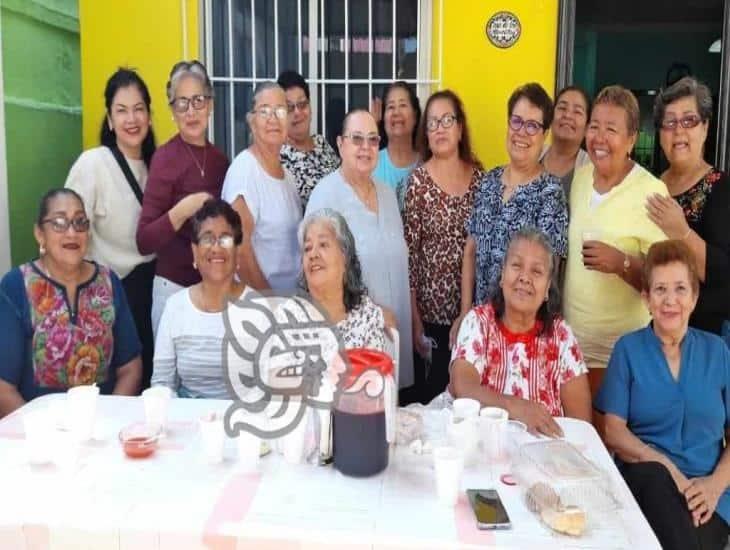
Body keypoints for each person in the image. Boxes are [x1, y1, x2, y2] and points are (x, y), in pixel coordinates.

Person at [595, 240, 730, 550]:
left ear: (694, 298)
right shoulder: (628, 349)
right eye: (660, 290)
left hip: (709, 498)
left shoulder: (718, 352)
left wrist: (714, 485)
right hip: (645, 484)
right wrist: (668, 469)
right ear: (646, 298)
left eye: (681, 289)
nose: (671, 300)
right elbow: (613, 431)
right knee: (655, 479)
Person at [563, 85, 668, 395]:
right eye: (594, 126)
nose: (599, 138)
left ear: (632, 139)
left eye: (611, 129)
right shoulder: (581, 179)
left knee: (611, 439)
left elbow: (662, 284)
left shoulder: (651, 193)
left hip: (620, 353)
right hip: (572, 345)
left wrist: (622, 263)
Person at [0, 189, 142, 417]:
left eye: (80, 222)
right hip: (36, 435)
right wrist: (43, 436)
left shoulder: (108, 282)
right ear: (39, 234)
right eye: (58, 223)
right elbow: (3, 388)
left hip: (102, 429)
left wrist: (109, 421)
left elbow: (130, 367)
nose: (72, 232)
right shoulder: (16, 285)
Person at [306, 109, 413, 391]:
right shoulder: (325, 196)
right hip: (354, 341)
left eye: (373, 139)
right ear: (340, 144)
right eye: (356, 139)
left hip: (392, 333)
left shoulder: (387, 194)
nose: (366, 148)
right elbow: (316, 273)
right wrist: (372, 312)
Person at [453, 82, 568, 344]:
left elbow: (547, 271)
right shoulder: (489, 181)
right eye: (516, 121)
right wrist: (465, 315)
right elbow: (471, 249)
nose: (522, 133)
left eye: (532, 125)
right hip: (481, 325)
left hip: (522, 330)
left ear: (545, 134)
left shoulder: (550, 192)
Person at [65, 68, 157, 389]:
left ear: (149, 114)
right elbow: (69, 236)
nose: (131, 119)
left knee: (146, 385)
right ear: (109, 118)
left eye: (138, 108)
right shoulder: (94, 164)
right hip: (107, 299)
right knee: (109, 390)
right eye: (121, 110)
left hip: (150, 297)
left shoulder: (157, 166)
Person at [450, 228, 592, 436]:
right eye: (516, 265)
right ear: (502, 276)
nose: (525, 277)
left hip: (544, 458)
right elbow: (462, 387)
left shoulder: (561, 336)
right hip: (483, 450)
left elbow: (581, 424)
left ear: (547, 289)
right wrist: (516, 408)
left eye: (536, 271)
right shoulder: (478, 322)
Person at [137, 60, 229, 336]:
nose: (191, 112)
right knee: (169, 378)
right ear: (172, 110)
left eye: (198, 100)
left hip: (212, 290)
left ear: (211, 104)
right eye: (182, 103)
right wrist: (182, 210)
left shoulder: (220, 161)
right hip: (173, 290)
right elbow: (144, 240)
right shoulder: (164, 158)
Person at [403, 89, 483, 403]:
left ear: (460, 128)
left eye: (447, 120)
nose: (439, 128)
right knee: (434, 402)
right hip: (430, 318)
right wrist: (415, 321)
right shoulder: (418, 184)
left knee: (467, 403)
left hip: (472, 315)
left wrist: (467, 313)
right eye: (432, 122)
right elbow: (408, 257)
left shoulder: (480, 179)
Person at [647, 76, 730, 338]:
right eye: (669, 122)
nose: (678, 131)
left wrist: (681, 231)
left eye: (689, 120)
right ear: (660, 134)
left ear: (705, 128)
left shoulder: (721, 187)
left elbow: (723, 275)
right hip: (655, 334)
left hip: (706, 338)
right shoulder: (650, 186)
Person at [152, 199, 247, 398]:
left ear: (238, 251)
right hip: (187, 423)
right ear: (194, 251)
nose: (216, 248)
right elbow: (162, 384)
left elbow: (270, 393)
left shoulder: (259, 310)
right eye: (206, 239)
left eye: (226, 239)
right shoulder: (175, 308)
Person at [222, 82, 302, 292]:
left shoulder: (288, 177)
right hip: (259, 310)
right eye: (264, 111)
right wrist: (269, 303)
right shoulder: (245, 171)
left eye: (280, 110)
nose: (273, 119)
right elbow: (239, 248)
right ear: (251, 121)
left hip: (289, 307)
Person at [299, 208, 386, 350]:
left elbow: (373, 371)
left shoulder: (367, 316)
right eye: (307, 248)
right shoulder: (288, 317)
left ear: (345, 257)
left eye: (323, 244)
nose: (313, 254)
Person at [277, 70, 340, 209]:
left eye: (302, 104)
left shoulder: (321, 143)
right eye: (289, 108)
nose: (298, 112)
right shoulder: (279, 157)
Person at [373, 82, 421, 209]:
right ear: (383, 118)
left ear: (415, 116)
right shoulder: (371, 164)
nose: (396, 112)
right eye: (390, 107)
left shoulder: (427, 164)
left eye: (403, 105)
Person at [540, 85, 592, 201]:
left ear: (587, 128)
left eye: (577, 112)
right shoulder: (533, 155)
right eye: (562, 108)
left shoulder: (592, 168)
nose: (568, 115)